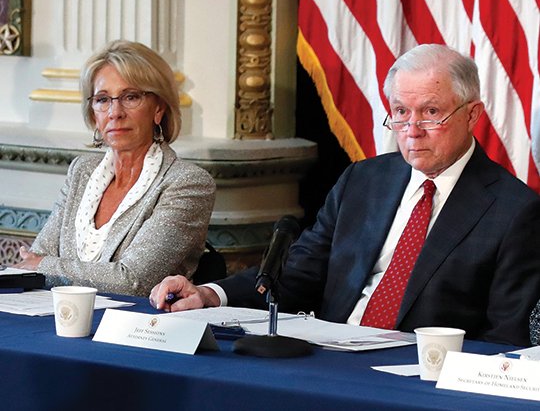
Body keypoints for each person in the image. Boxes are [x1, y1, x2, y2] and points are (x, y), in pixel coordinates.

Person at [149, 44, 540, 346]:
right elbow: (299, 273)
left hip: (421, 376)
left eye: (431, 112)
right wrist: (208, 294)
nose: (412, 129)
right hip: (329, 356)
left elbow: (505, 337)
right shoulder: (363, 180)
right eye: (401, 112)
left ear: (472, 115)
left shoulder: (513, 210)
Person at [14, 40, 216, 296]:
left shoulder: (187, 183)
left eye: (131, 97)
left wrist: (45, 266)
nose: (115, 112)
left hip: (139, 329)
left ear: (158, 109)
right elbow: (36, 258)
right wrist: (41, 264)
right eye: (102, 99)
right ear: (93, 114)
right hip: (60, 318)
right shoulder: (82, 171)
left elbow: (134, 281)